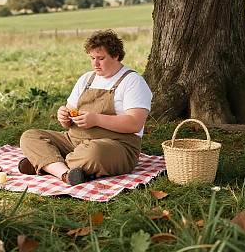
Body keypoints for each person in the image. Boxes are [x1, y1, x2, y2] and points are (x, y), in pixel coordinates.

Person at [19, 29, 152, 185]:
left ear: (116, 55)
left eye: (101, 58)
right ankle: (65, 173)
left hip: (115, 145)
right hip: (74, 140)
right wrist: (64, 116)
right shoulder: (86, 79)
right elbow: (68, 117)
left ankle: (47, 163)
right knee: (30, 136)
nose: (95, 63)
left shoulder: (132, 81)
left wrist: (96, 119)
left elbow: (135, 123)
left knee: (94, 153)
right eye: (92, 58)